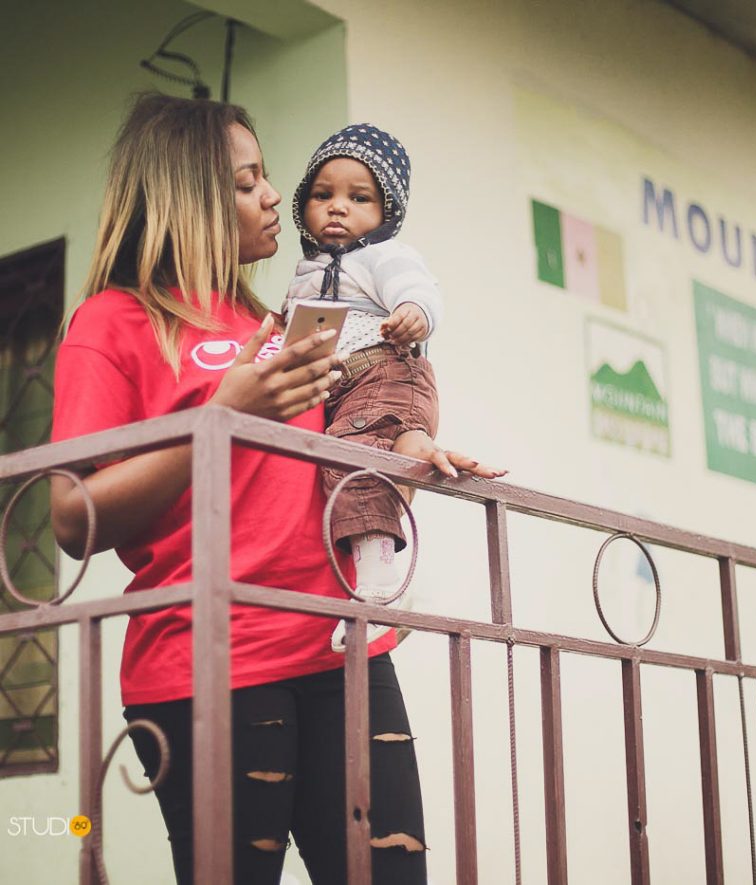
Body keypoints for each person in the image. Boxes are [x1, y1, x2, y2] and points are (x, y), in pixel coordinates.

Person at [48, 93, 499, 885]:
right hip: (208, 662)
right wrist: (218, 418)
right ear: (190, 196)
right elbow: (71, 516)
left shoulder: (286, 314)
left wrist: (405, 446)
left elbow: (340, 437)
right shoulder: (111, 323)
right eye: (247, 180)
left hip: (341, 646)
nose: (272, 196)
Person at [283, 123, 441, 653]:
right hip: (346, 388)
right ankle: (393, 580)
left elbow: (419, 288)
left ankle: (380, 591)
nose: (337, 207)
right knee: (346, 467)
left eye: (359, 198)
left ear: (386, 212)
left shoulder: (382, 255)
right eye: (322, 195)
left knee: (354, 465)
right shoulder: (305, 271)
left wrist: (414, 312)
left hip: (386, 371)